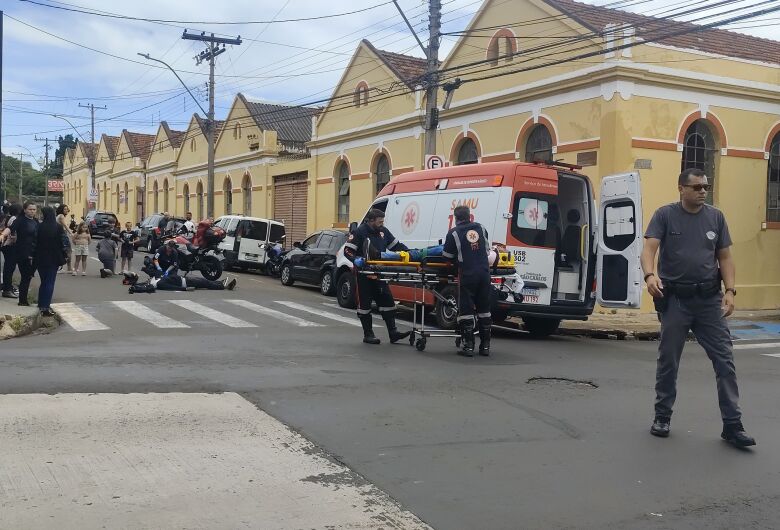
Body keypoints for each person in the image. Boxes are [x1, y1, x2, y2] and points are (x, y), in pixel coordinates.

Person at [641, 167, 755, 447]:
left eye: (705, 186)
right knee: (669, 361)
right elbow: (649, 249)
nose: (702, 191)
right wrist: (650, 274)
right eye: (696, 187)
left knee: (725, 360)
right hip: (676, 300)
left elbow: (725, 257)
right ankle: (662, 416)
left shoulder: (716, 217)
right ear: (681, 189)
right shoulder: (665, 215)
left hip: (708, 301)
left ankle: (732, 425)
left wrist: (730, 291)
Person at [344, 208, 411, 345]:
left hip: (379, 272)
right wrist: (357, 260)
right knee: (365, 305)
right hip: (364, 274)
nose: (382, 223)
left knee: (388, 302)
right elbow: (347, 251)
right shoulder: (359, 232)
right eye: (379, 221)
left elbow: (396, 245)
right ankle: (368, 334)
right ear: (371, 221)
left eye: (382, 221)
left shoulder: (383, 232)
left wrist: (409, 252)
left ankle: (393, 333)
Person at [442, 205, 492, 357]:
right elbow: (487, 250)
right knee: (484, 310)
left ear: (456, 218)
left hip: (468, 274)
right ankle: (485, 347)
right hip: (484, 274)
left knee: (466, 309)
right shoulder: (481, 228)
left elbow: (447, 257)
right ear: (470, 216)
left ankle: (468, 346)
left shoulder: (454, 233)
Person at [35, 206, 66, 316]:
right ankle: (45, 307)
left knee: (44, 282)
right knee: (50, 282)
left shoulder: (39, 226)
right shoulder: (58, 227)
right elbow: (63, 243)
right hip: (54, 258)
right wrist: (64, 257)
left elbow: (35, 243)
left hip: (40, 258)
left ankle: (41, 304)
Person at [8, 202, 39, 307]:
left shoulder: (35, 221)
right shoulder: (20, 220)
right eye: (30, 209)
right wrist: (4, 234)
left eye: (34, 209)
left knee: (28, 276)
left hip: (34, 252)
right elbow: (11, 228)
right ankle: (22, 300)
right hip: (23, 252)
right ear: (25, 210)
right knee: (25, 276)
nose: (32, 211)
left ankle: (24, 299)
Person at [1, 203, 22, 298]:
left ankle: (7, 287)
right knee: (9, 268)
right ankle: (7, 289)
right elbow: (12, 230)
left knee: (8, 267)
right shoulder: (14, 219)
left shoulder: (7, 217)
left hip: (5, 245)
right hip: (10, 245)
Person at [56, 204, 74, 274]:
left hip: (60, 234)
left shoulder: (58, 216)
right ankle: (63, 268)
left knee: (63, 250)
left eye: (67, 209)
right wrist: (71, 234)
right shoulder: (61, 216)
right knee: (68, 251)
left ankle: (67, 268)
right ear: (61, 210)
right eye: (65, 209)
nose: (66, 210)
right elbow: (65, 226)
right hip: (62, 235)